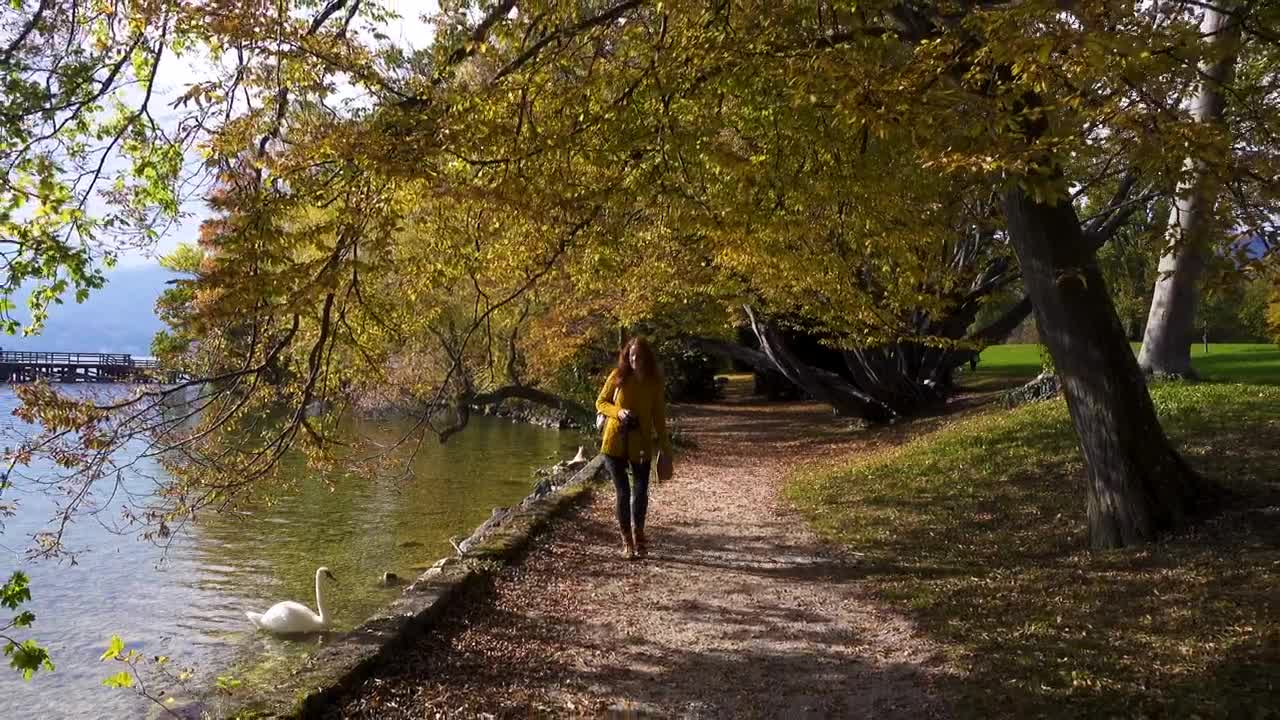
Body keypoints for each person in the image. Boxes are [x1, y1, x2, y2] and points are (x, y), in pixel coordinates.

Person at [595, 336, 672, 560]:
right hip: (614, 443)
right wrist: (618, 412)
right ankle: (626, 541)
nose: (634, 359)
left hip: (641, 444)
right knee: (623, 492)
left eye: (638, 355)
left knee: (640, 492)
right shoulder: (617, 376)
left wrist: (665, 447)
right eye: (631, 355)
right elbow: (601, 402)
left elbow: (658, 416)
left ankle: (639, 534)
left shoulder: (654, 382)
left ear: (647, 357)